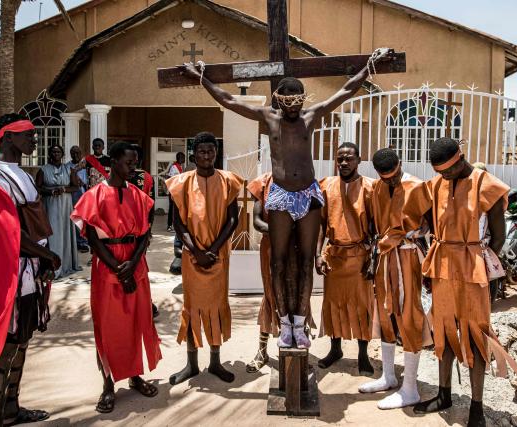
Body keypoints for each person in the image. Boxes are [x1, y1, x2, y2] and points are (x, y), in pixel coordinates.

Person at [182, 49, 388, 348]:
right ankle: (284, 322)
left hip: (308, 193)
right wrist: (203, 79)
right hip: (279, 194)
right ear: (279, 99)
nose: (292, 107)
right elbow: (229, 100)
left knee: (305, 261)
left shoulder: (311, 115)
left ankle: (301, 323)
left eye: (297, 101)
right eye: (287, 101)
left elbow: (344, 91)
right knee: (278, 262)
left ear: (303, 99)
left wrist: (369, 68)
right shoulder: (269, 117)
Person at [406, 138, 517, 427]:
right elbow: (424, 220)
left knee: (474, 335)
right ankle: (444, 394)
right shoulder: (435, 185)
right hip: (442, 265)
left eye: (448, 171)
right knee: (444, 332)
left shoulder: (487, 184)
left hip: (474, 268)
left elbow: (498, 235)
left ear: (461, 159)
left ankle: (476, 408)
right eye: (439, 172)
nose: (444, 177)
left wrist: (478, 261)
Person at [0, 113, 61, 426]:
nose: (34, 139)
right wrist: (49, 256)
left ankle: (10, 411)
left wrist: (43, 260)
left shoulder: (21, 172)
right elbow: (10, 232)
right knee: (5, 346)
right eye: (28, 134)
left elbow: (34, 226)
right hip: (13, 273)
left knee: (22, 342)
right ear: (8, 136)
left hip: (32, 271)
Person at [71, 142, 162, 413]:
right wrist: (117, 268)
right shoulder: (94, 195)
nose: (133, 168)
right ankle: (108, 384)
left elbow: (145, 233)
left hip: (136, 264)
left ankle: (135, 376)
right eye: (128, 163)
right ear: (113, 162)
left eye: (135, 163)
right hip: (107, 266)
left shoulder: (138, 194)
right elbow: (91, 237)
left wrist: (132, 265)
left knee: (136, 322)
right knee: (108, 327)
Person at [166, 132, 243, 385]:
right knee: (192, 309)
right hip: (192, 257)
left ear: (215, 153)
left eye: (211, 151)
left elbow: (233, 219)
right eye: (202, 151)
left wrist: (214, 249)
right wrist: (197, 251)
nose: (207, 155)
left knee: (216, 308)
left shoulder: (228, 181)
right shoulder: (181, 183)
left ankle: (215, 362)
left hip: (219, 257)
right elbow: (178, 222)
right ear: (194, 155)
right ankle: (191, 364)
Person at [358, 148, 431, 409]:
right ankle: (388, 376)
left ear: (400, 165)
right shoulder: (377, 188)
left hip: (409, 257)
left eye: (394, 175)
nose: (391, 181)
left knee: (409, 315)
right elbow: (373, 224)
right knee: (385, 314)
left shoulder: (417, 186)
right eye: (385, 177)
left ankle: (410, 387)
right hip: (383, 258)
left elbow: (431, 225)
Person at [315, 142, 375, 376]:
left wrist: (374, 258)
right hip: (335, 256)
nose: (344, 163)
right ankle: (335, 349)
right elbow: (320, 224)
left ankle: (362, 354)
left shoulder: (370, 187)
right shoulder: (327, 186)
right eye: (340, 158)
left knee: (362, 307)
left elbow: (377, 226)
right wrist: (318, 254)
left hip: (360, 256)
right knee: (334, 305)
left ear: (359, 160)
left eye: (349, 158)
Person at [245, 172, 279, 372]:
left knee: (298, 298)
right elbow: (257, 221)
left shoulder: (303, 178)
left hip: (296, 248)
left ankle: (298, 352)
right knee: (270, 296)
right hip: (271, 247)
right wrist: (280, 231)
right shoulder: (264, 182)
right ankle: (262, 350)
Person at [37, 145, 81, 279]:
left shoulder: (69, 169)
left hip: (65, 204)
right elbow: (37, 187)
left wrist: (63, 190)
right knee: (53, 233)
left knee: (64, 232)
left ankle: (66, 263)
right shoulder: (43, 170)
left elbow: (75, 186)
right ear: (50, 154)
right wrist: (50, 191)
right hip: (50, 204)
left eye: (59, 152)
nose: (56, 154)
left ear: (62, 154)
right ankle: (52, 265)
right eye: (53, 152)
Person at [128, 144, 159, 319]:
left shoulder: (142, 177)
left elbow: (151, 205)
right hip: (140, 230)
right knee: (138, 267)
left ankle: (142, 302)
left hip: (133, 231)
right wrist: (148, 229)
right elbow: (151, 206)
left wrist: (147, 229)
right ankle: (143, 303)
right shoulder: (145, 177)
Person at [67, 145, 89, 252]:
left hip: (85, 194)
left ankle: (84, 242)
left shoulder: (86, 165)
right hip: (73, 195)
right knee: (75, 218)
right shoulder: (67, 166)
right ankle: (77, 242)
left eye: (77, 153)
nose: (75, 155)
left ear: (81, 153)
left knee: (85, 219)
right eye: (73, 153)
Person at [166, 152, 185, 232]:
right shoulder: (174, 167)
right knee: (172, 208)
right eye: (183, 158)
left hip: (178, 191)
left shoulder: (180, 167)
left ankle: (176, 225)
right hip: (173, 191)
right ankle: (169, 226)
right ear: (179, 158)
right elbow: (170, 178)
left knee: (177, 209)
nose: (184, 159)